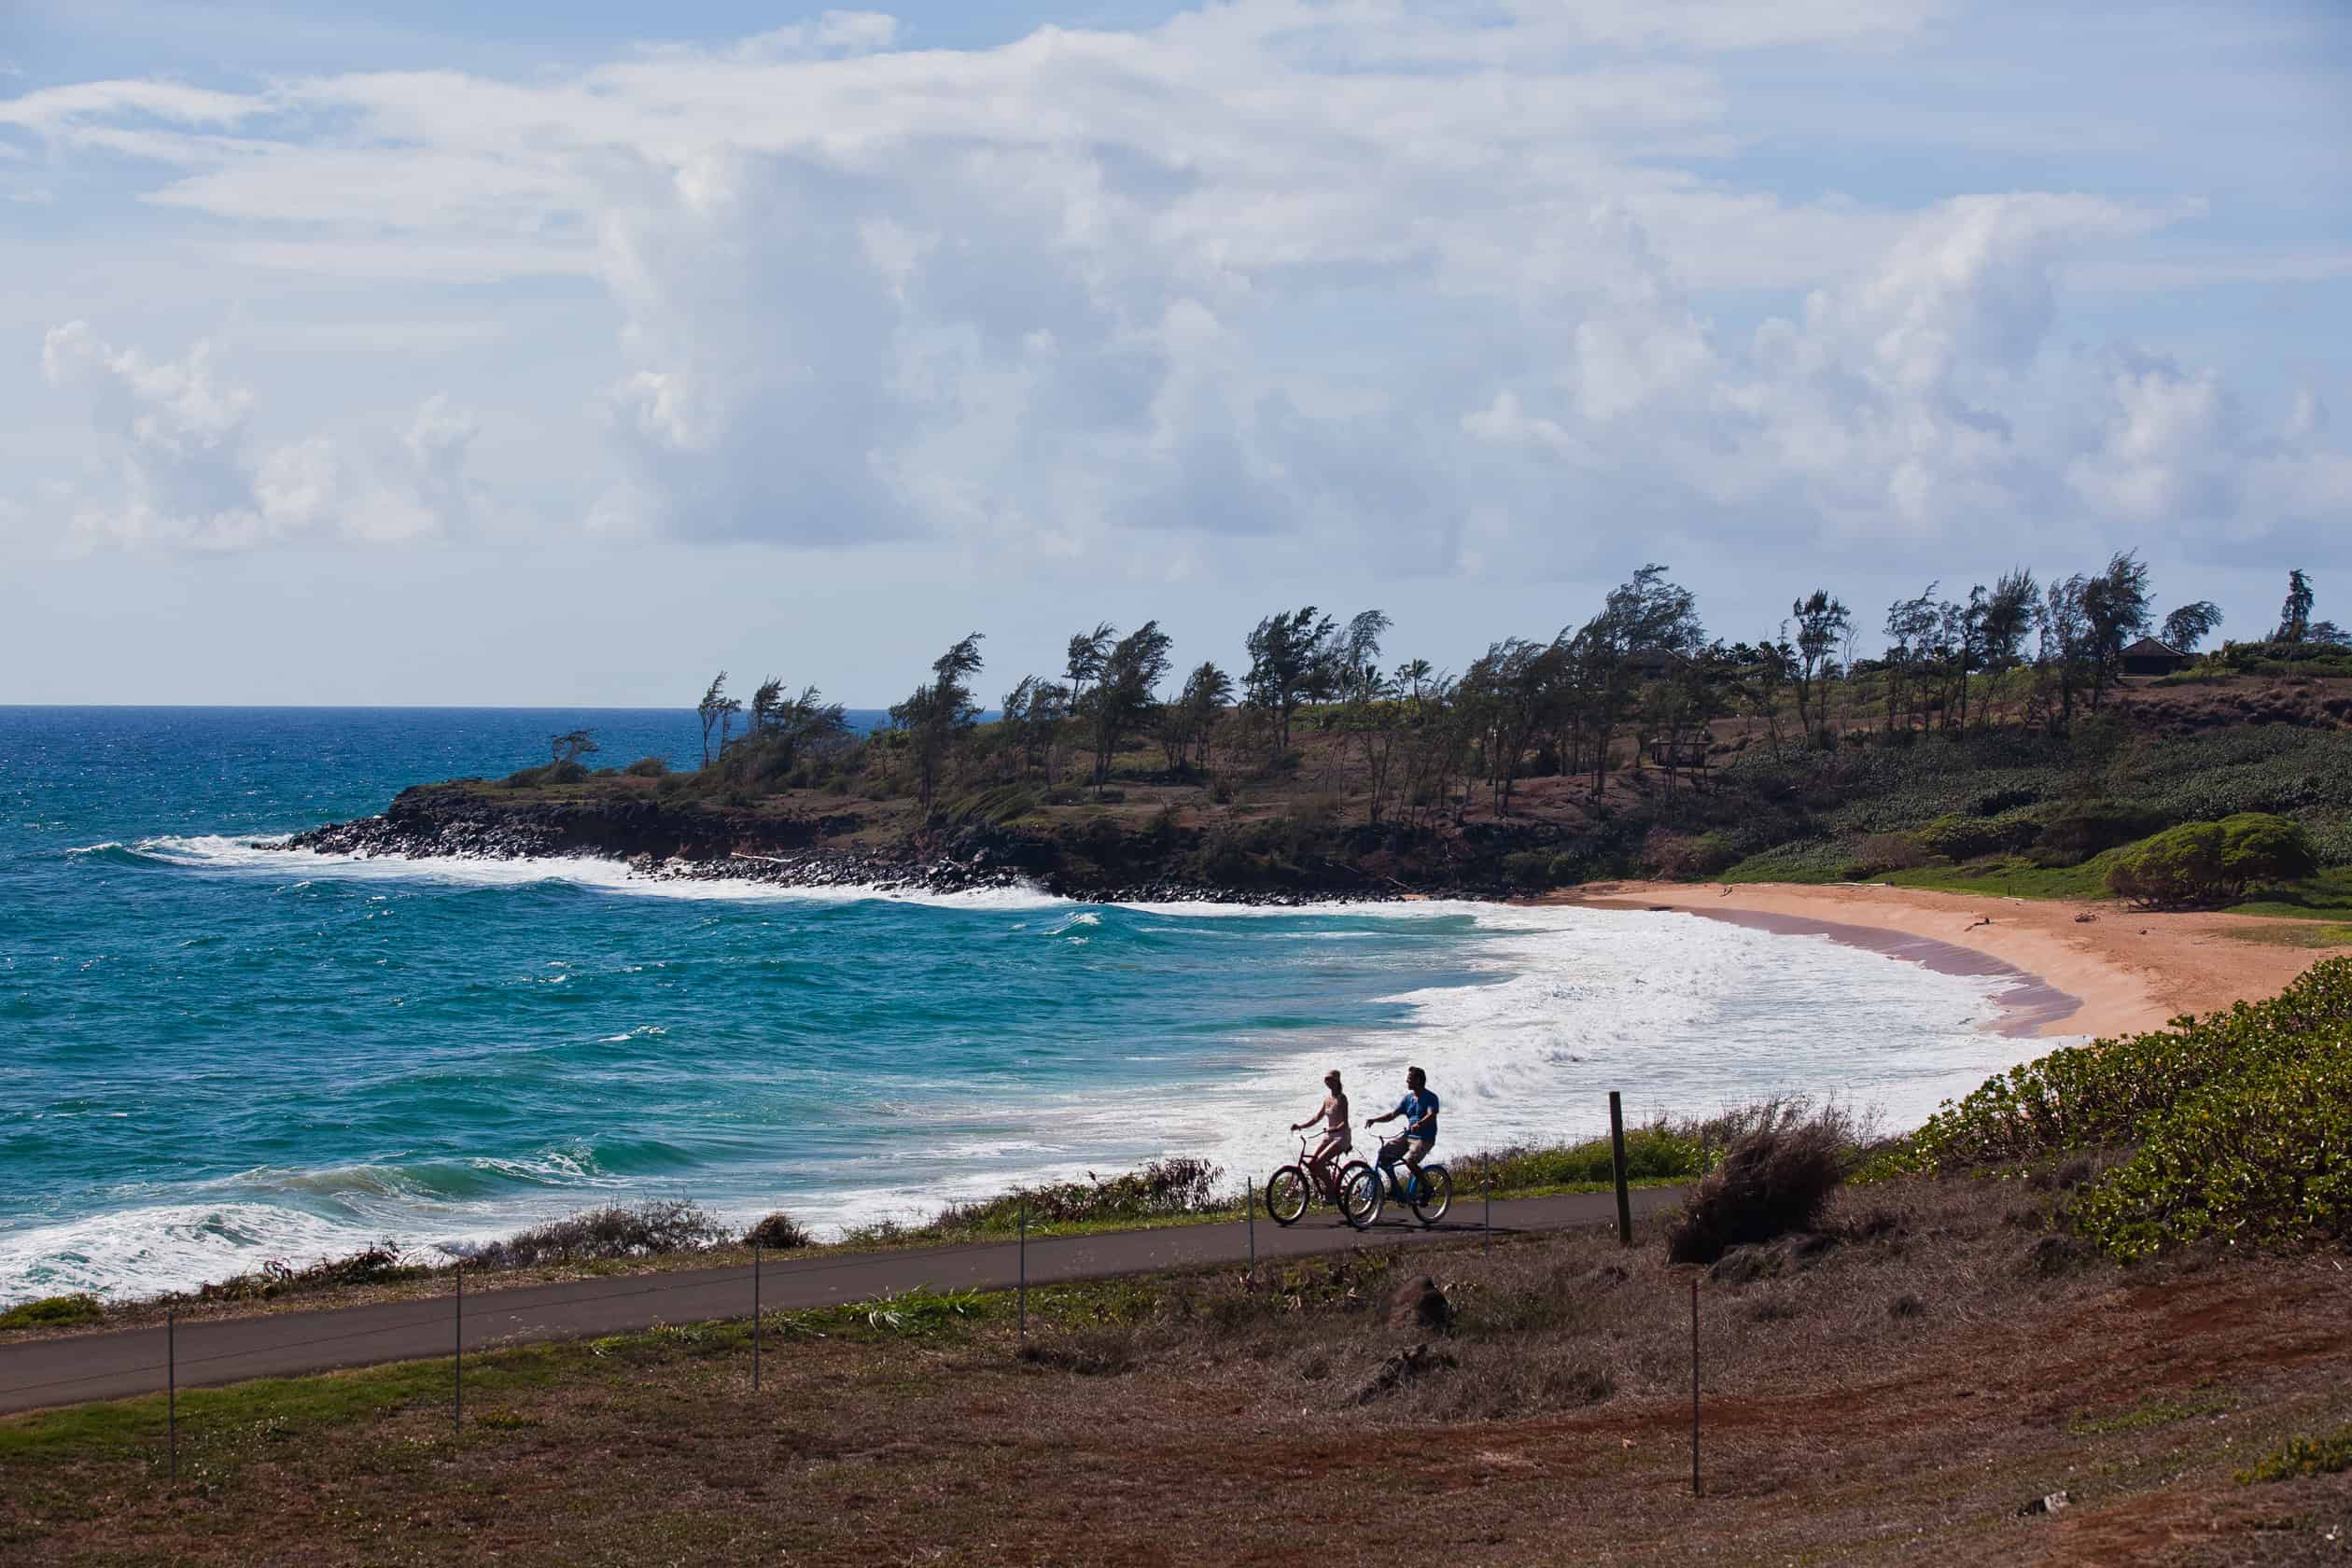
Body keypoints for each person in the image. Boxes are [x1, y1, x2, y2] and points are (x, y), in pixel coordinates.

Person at [1365, 1065, 1438, 1195]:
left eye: (1410, 1078)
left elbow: (1431, 1114)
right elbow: (1392, 1115)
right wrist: (1374, 1120)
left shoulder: (1431, 1097)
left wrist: (1419, 1124)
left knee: (1410, 1162)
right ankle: (1396, 1188)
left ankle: (1427, 1188)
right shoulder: (1408, 1099)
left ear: (1419, 1080)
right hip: (1408, 1136)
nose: (1407, 1081)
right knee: (1383, 1156)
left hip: (1424, 1138)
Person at [1289, 1070, 1351, 1197]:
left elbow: (1345, 1123)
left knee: (1321, 1161)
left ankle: (1331, 1191)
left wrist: (1335, 1129)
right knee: (1312, 1164)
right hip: (1329, 1136)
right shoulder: (1327, 1099)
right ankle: (1328, 1186)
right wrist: (1301, 1126)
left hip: (1341, 1137)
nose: (1328, 1082)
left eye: (1331, 1079)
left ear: (1337, 1081)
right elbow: (1317, 1117)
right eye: (1326, 1079)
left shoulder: (1342, 1099)